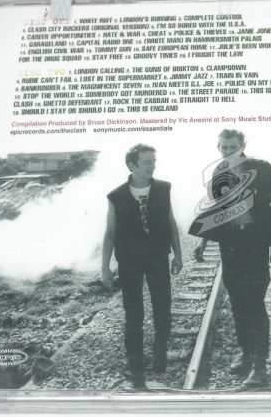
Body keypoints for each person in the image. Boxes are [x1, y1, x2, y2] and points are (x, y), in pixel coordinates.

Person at [190, 129, 271, 388]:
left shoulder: (262, 168)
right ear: (218, 147)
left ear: (243, 145)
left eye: (233, 146)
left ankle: (260, 367)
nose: (228, 151)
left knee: (254, 303)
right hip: (231, 245)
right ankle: (246, 354)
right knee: (237, 303)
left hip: (255, 243)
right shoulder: (218, 172)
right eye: (223, 147)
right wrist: (203, 241)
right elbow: (214, 209)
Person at [101, 144, 183, 389]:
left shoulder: (163, 188)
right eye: (147, 162)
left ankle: (159, 353)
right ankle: (136, 369)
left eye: (153, 161)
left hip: (158, 257)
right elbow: (110, 232)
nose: (152, 166)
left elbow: (170, 222)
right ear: (132, 165)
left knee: (163, 309)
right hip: (130, 262)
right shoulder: (116, 196)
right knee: (134, 315)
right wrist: (105, 267)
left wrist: (178, 255)